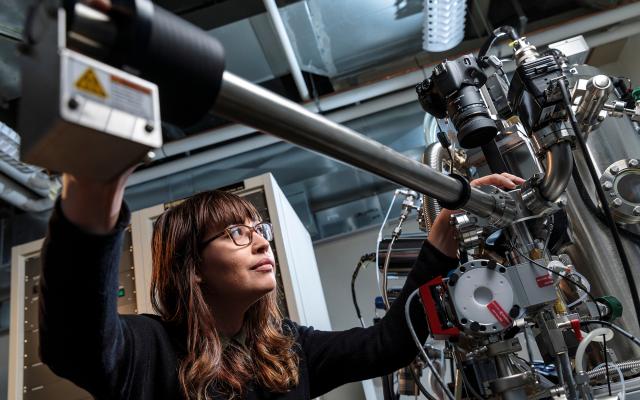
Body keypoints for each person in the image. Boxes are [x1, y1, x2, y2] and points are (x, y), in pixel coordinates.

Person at [39, 169, 524, 400]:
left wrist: (439, 240)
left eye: (259, 229)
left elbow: (387, 344)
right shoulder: (148, 350)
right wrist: (94, 187)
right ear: (194, 267)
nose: (259, 242)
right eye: (235, 233)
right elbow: (74, 343)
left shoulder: (284, 348)